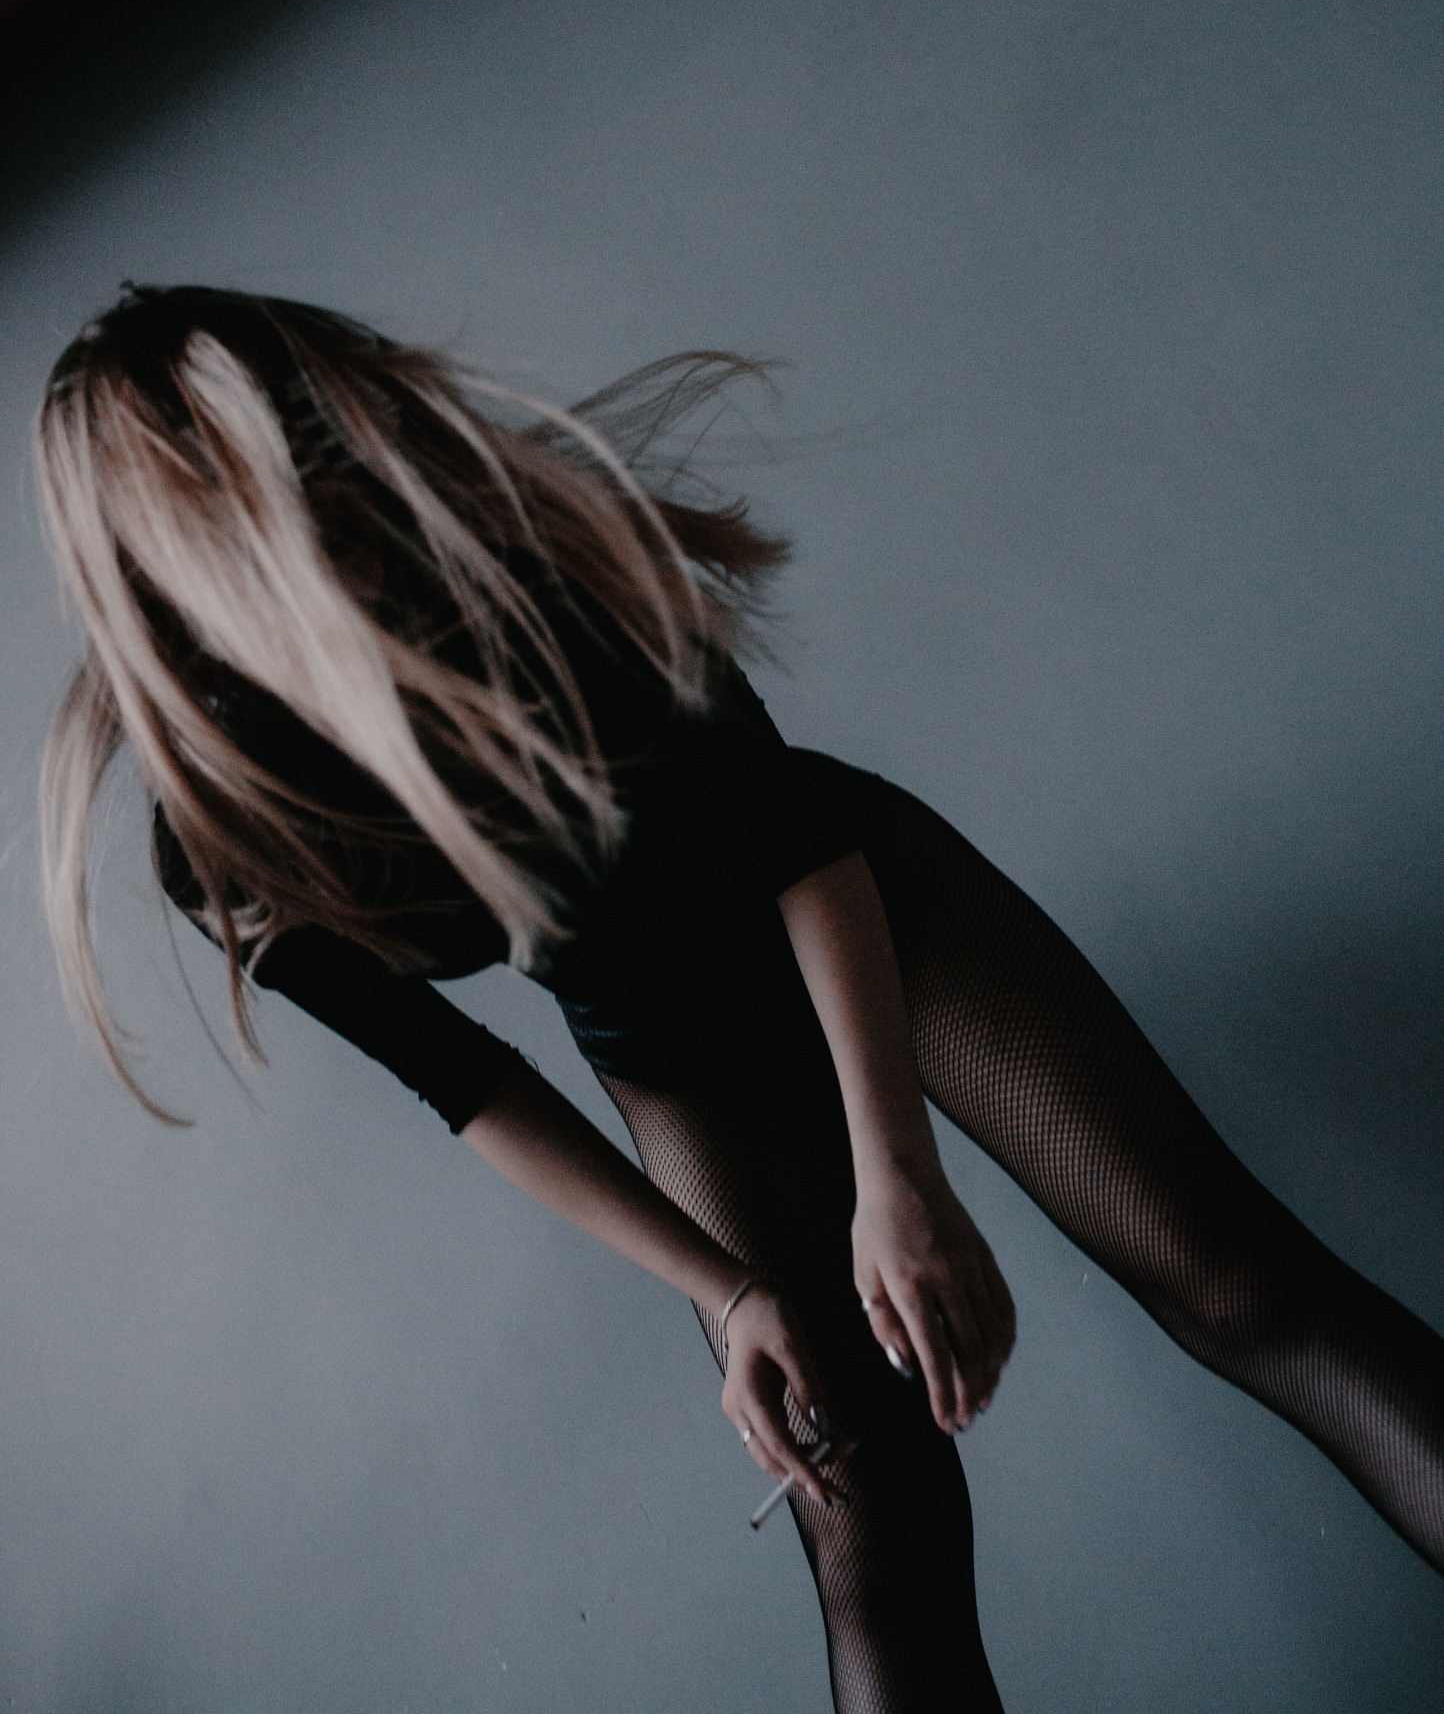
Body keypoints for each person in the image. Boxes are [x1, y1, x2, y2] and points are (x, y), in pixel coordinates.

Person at [35, 284, 1443, 1712]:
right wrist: (731, 1290)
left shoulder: (531, 561)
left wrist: (897, 1173)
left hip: (869, 909)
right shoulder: (226, 841)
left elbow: (796, 846)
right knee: (870, 1530)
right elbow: (469, 1086)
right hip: (672, 1055)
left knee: (1236, 1288)